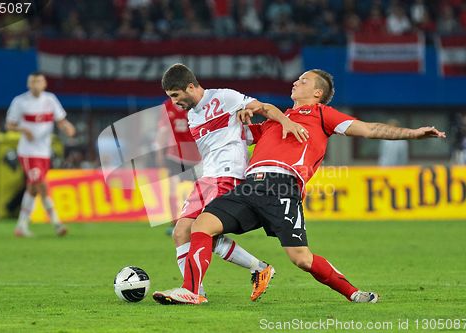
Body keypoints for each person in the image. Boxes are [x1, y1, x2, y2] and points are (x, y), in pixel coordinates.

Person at [153, 69, 446, 305]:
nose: (296, 81)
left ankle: (353, 293)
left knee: (301, 259)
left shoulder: (321, 115)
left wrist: (414, 133)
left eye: (303, 80)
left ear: (317, 93)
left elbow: (368, 129)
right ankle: (192, 291)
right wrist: (235, 118)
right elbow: (232, 137)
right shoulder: (275, 121)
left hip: (282, 186)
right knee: (201, 226)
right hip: (249, 185)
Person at [160, 63, 308, 301]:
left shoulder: (224, 97)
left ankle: (191, 290)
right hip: (208, 177)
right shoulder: (191, 115)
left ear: (190, 86)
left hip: (227, 174)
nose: (175, 102)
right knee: (181, 232)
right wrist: (244, 125)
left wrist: (286, 122)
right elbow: (235, 136)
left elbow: (263, 108)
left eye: (176, 96)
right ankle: (251, 271)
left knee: (202, 230)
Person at [6, 72, 76, 237]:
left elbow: (60, 120)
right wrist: (23, 129)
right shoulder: (20, 101)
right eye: (32, 81)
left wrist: (67, 127)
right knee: (40, 184)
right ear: (28, 84)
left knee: (33, 187)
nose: (35, 84)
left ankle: (21, 225)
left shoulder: (50, 99)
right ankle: (56, 222)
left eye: (39, 81)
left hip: (44, 152)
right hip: (28, 152)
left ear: (44, 84)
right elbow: (9, 125)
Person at [155, 99, 202, 234]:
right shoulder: (167, 106)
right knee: (173, 187)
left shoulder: (196, 103)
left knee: (201, 190)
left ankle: (200, 220)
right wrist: (159, 152)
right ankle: (175, 222)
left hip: (196, 156)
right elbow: (163, 130)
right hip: (175, 155)